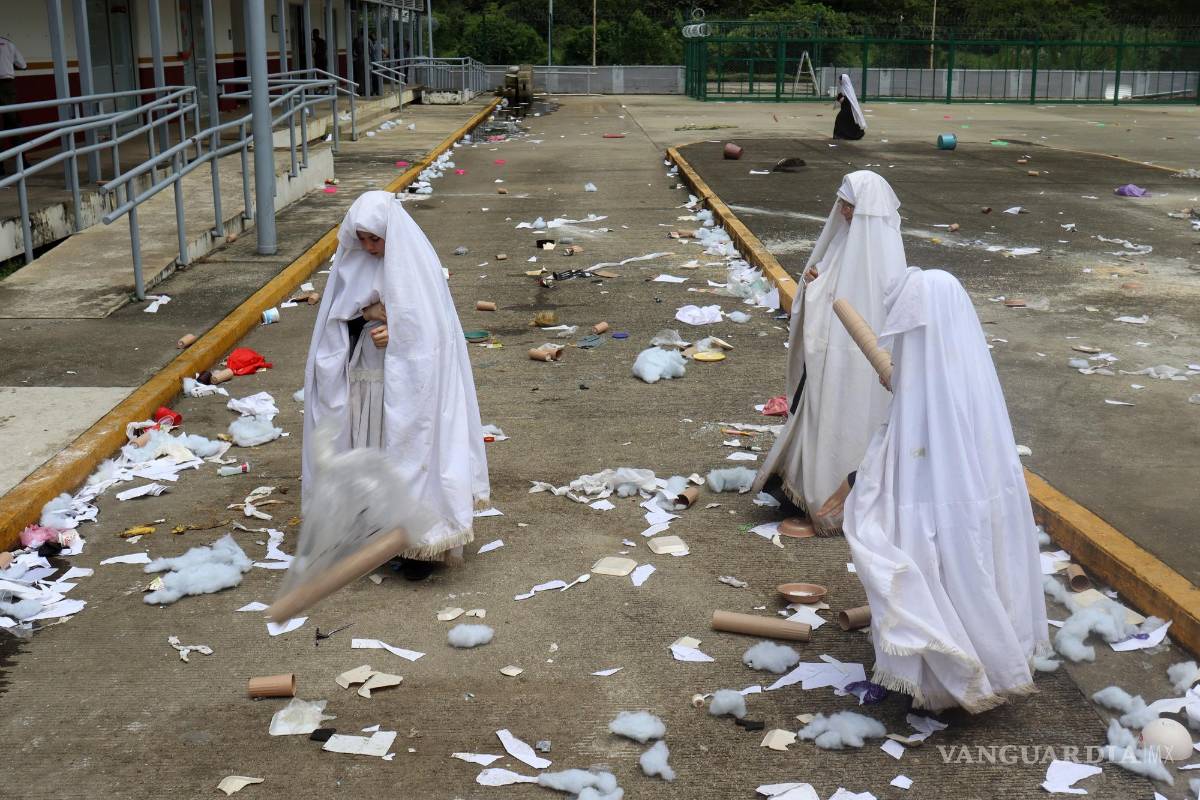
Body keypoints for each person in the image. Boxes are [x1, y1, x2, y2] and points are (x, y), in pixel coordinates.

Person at [836, 268, 1050, 713]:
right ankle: (986, 661)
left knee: (931, 566)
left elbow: (914, 443)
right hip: (971, 503)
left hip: (934, 499)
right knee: (975, 573)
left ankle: (944, 676)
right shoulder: (971, 373)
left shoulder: (934, 386)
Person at [302, 191, 490, 580]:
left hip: (410, 385)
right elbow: (332, 328)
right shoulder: (351, 264)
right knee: (369, 448)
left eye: (377, 239)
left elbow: (437, 332)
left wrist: (401, 335)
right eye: (364, 239)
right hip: (367, 380)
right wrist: (364, 315)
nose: (370, 248)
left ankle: (415, 541)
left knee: (407, 448)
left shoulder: (416, 266)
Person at [752, 171, 908, 535]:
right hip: (829, 354)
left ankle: (836, 504)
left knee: (846, 422)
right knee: (818, 416)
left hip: (860, 360)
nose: (843, 211)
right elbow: (829, 291)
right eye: (841, 203)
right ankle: (810, 492)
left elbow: (870, 309)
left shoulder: (883, 254)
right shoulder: (844, 242)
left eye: (850, 205)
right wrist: (814, 285)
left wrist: (821, 290)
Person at [0, 33, 28, 178]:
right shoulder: (8, 44)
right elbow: (23, 65)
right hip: (7, 87)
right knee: (13, 124)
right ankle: (21, 162)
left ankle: (0, 167)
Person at [833, 73, 866, 141]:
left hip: (848, 110)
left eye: (840, 80)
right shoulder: (845, 88)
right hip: (846, 109)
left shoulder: (847, 88)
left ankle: (839, 135)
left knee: (840, 119)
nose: (839, 81)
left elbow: (844, 100)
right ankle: (842, 135)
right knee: (844, 121)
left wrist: (838, 98)